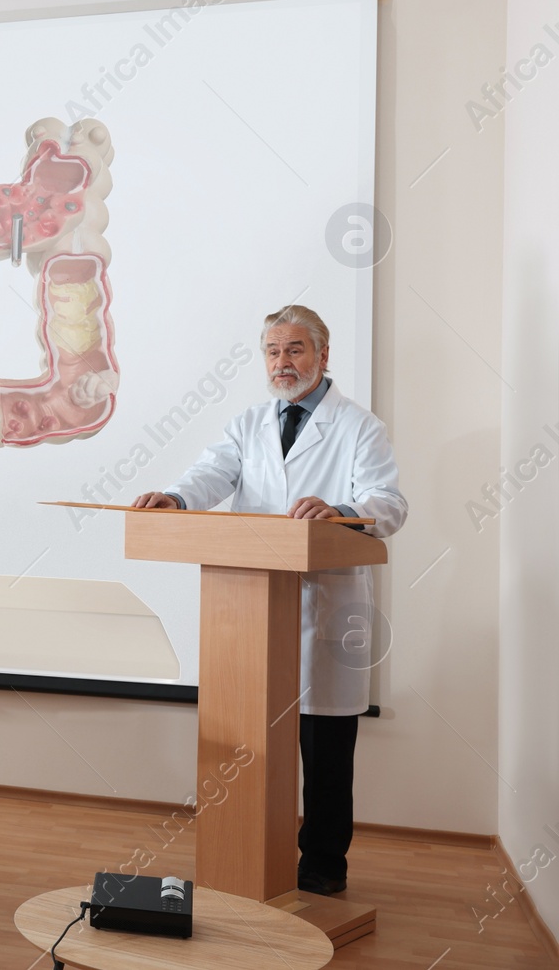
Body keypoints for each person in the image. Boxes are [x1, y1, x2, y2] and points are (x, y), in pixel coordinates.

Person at [132, 304, 407, 896]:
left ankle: (324, 865)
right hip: (252, 620)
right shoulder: (248, 424)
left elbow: (389, 502)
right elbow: (212, 474)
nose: (283, 362)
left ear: (323, 355)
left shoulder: (360, 426)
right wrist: (177, 500)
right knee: (249, 746)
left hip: (324, 611)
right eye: (274, 352)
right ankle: (249, 856)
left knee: (325, 753)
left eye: (296, 350)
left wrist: (343, 513)